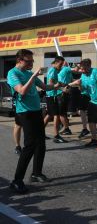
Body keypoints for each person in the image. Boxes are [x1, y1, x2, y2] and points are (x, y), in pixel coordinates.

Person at [7, 49, 59, 193]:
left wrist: (56, 86)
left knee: (41, 143)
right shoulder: (13, 73)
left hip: (36, 112)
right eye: (28, 61)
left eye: (32, 61)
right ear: (19, 60)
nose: (31, 63)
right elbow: (21, 91)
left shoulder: (29, 73)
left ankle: (36, 173)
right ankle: (17, 180)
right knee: (29, 145)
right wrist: (34, 76)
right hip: (25, 112)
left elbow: (44, 87)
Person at [43, 56, 68, 143]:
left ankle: (40, 133)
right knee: (56, 115)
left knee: (49, 115)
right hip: (52, 95)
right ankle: (56, 135)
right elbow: (50, 83)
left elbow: (56, 82)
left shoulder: (56, 70)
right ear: (56, 62)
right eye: (60, 64)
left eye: (62, 65)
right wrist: (62, 89)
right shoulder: (52, 70)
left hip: (51, 95)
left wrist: (62, 84)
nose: (61, 66)